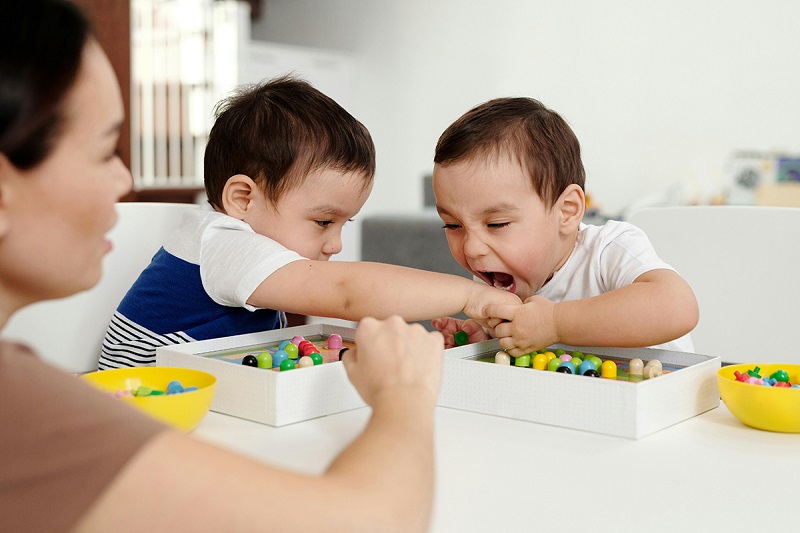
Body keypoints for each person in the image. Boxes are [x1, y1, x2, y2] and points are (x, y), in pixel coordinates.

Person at [0, 2, 442, 531]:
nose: (124, 182)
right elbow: (367, 520)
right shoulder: (223, 241)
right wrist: (404, 399)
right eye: (102, 152)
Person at [98, 76, 521, 369]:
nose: (335, 244)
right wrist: (468, 296)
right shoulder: (223, 242)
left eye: (344, 223)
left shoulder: (249, 251)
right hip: (140, 410)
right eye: (322, 221)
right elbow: (346, 293)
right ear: (242, 199)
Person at [430, 97, 699, 355]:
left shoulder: (608, 251)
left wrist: (555, 323)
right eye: (453, 225)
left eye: (497, 224)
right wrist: (483, 341)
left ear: (567, 212)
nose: (472, 248)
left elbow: (677, 306)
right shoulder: (494, 277)